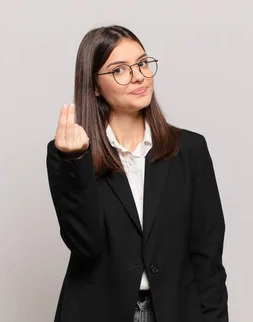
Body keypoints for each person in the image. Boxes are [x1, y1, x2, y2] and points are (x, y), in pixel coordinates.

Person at [46, 25, 228, 322]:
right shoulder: (69, 153)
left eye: (142, 63)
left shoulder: (190, 149)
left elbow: (208, 256)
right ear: (94, 85)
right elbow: (85, 244)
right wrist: (75, 159)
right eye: (120, 70)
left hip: (175, 311)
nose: (138, 76)